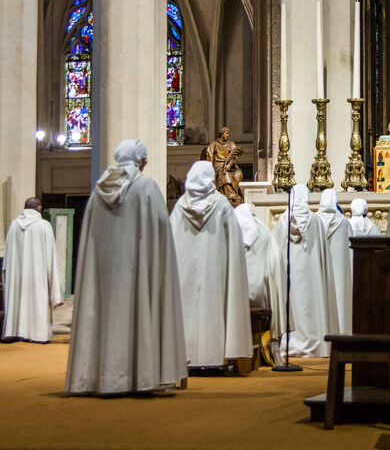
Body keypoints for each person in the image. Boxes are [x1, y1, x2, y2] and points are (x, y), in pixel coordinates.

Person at [65, 139, 187, 395]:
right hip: (137, 270)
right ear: (141, 161)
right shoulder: (146, 187)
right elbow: (161, 234)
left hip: (103, 274)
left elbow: (90, 239)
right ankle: (141, 377)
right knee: (139, 312)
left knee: (105, 316)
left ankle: (103, 378)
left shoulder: (98, 192)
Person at [170, 161, 253, 368]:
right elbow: (234, 243)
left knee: (186, 309)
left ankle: (186, 356)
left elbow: (170, 241)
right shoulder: (221, 205)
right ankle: (213, 357)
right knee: (213, 307)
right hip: (214, 272)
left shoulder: (180, 206)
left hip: (184, 273)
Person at [274, 184, 339, 356]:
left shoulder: (283, 220)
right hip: (312, 276)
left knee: (291, 301)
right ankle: (315, 342)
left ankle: (289, 343)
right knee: (312, 302)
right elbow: (322, 254)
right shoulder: (315, 221)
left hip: (288, 274)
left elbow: (275, 251)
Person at [1, 197, 63, 343]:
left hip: (17, 278)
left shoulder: (14, 226)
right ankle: (38, 335)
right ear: (39, 208)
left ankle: (14, 331)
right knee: (37, 301)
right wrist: (55, 288)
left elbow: (7, 258)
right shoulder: (44, 226)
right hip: (37, 276)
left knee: (18, 300)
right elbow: (51, 257)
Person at [234, 202, 287, 356]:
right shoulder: (264, 232)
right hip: (259, 293)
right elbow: (275, 261)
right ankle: (264, 350)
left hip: (236, 292)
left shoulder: (232, 232)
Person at [317, 188, 353, 333]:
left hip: (320, 267)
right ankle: (342, 330)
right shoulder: (344, 222)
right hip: (340, 269)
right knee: (340, 294)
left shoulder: (315, 220)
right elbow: (350, 249)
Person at [201, 127, 244, 208]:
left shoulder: (231, 144)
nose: (227, 135)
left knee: (235, 173)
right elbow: (209, 157)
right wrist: (209, 169)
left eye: (228, 133)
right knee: (223, 172)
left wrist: (229, 164)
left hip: (229, 166)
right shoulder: (214, 144)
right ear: (222, 133)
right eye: (226, 133)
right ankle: (229, 194)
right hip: (217, 166)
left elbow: (234, 156)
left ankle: (231, 193)